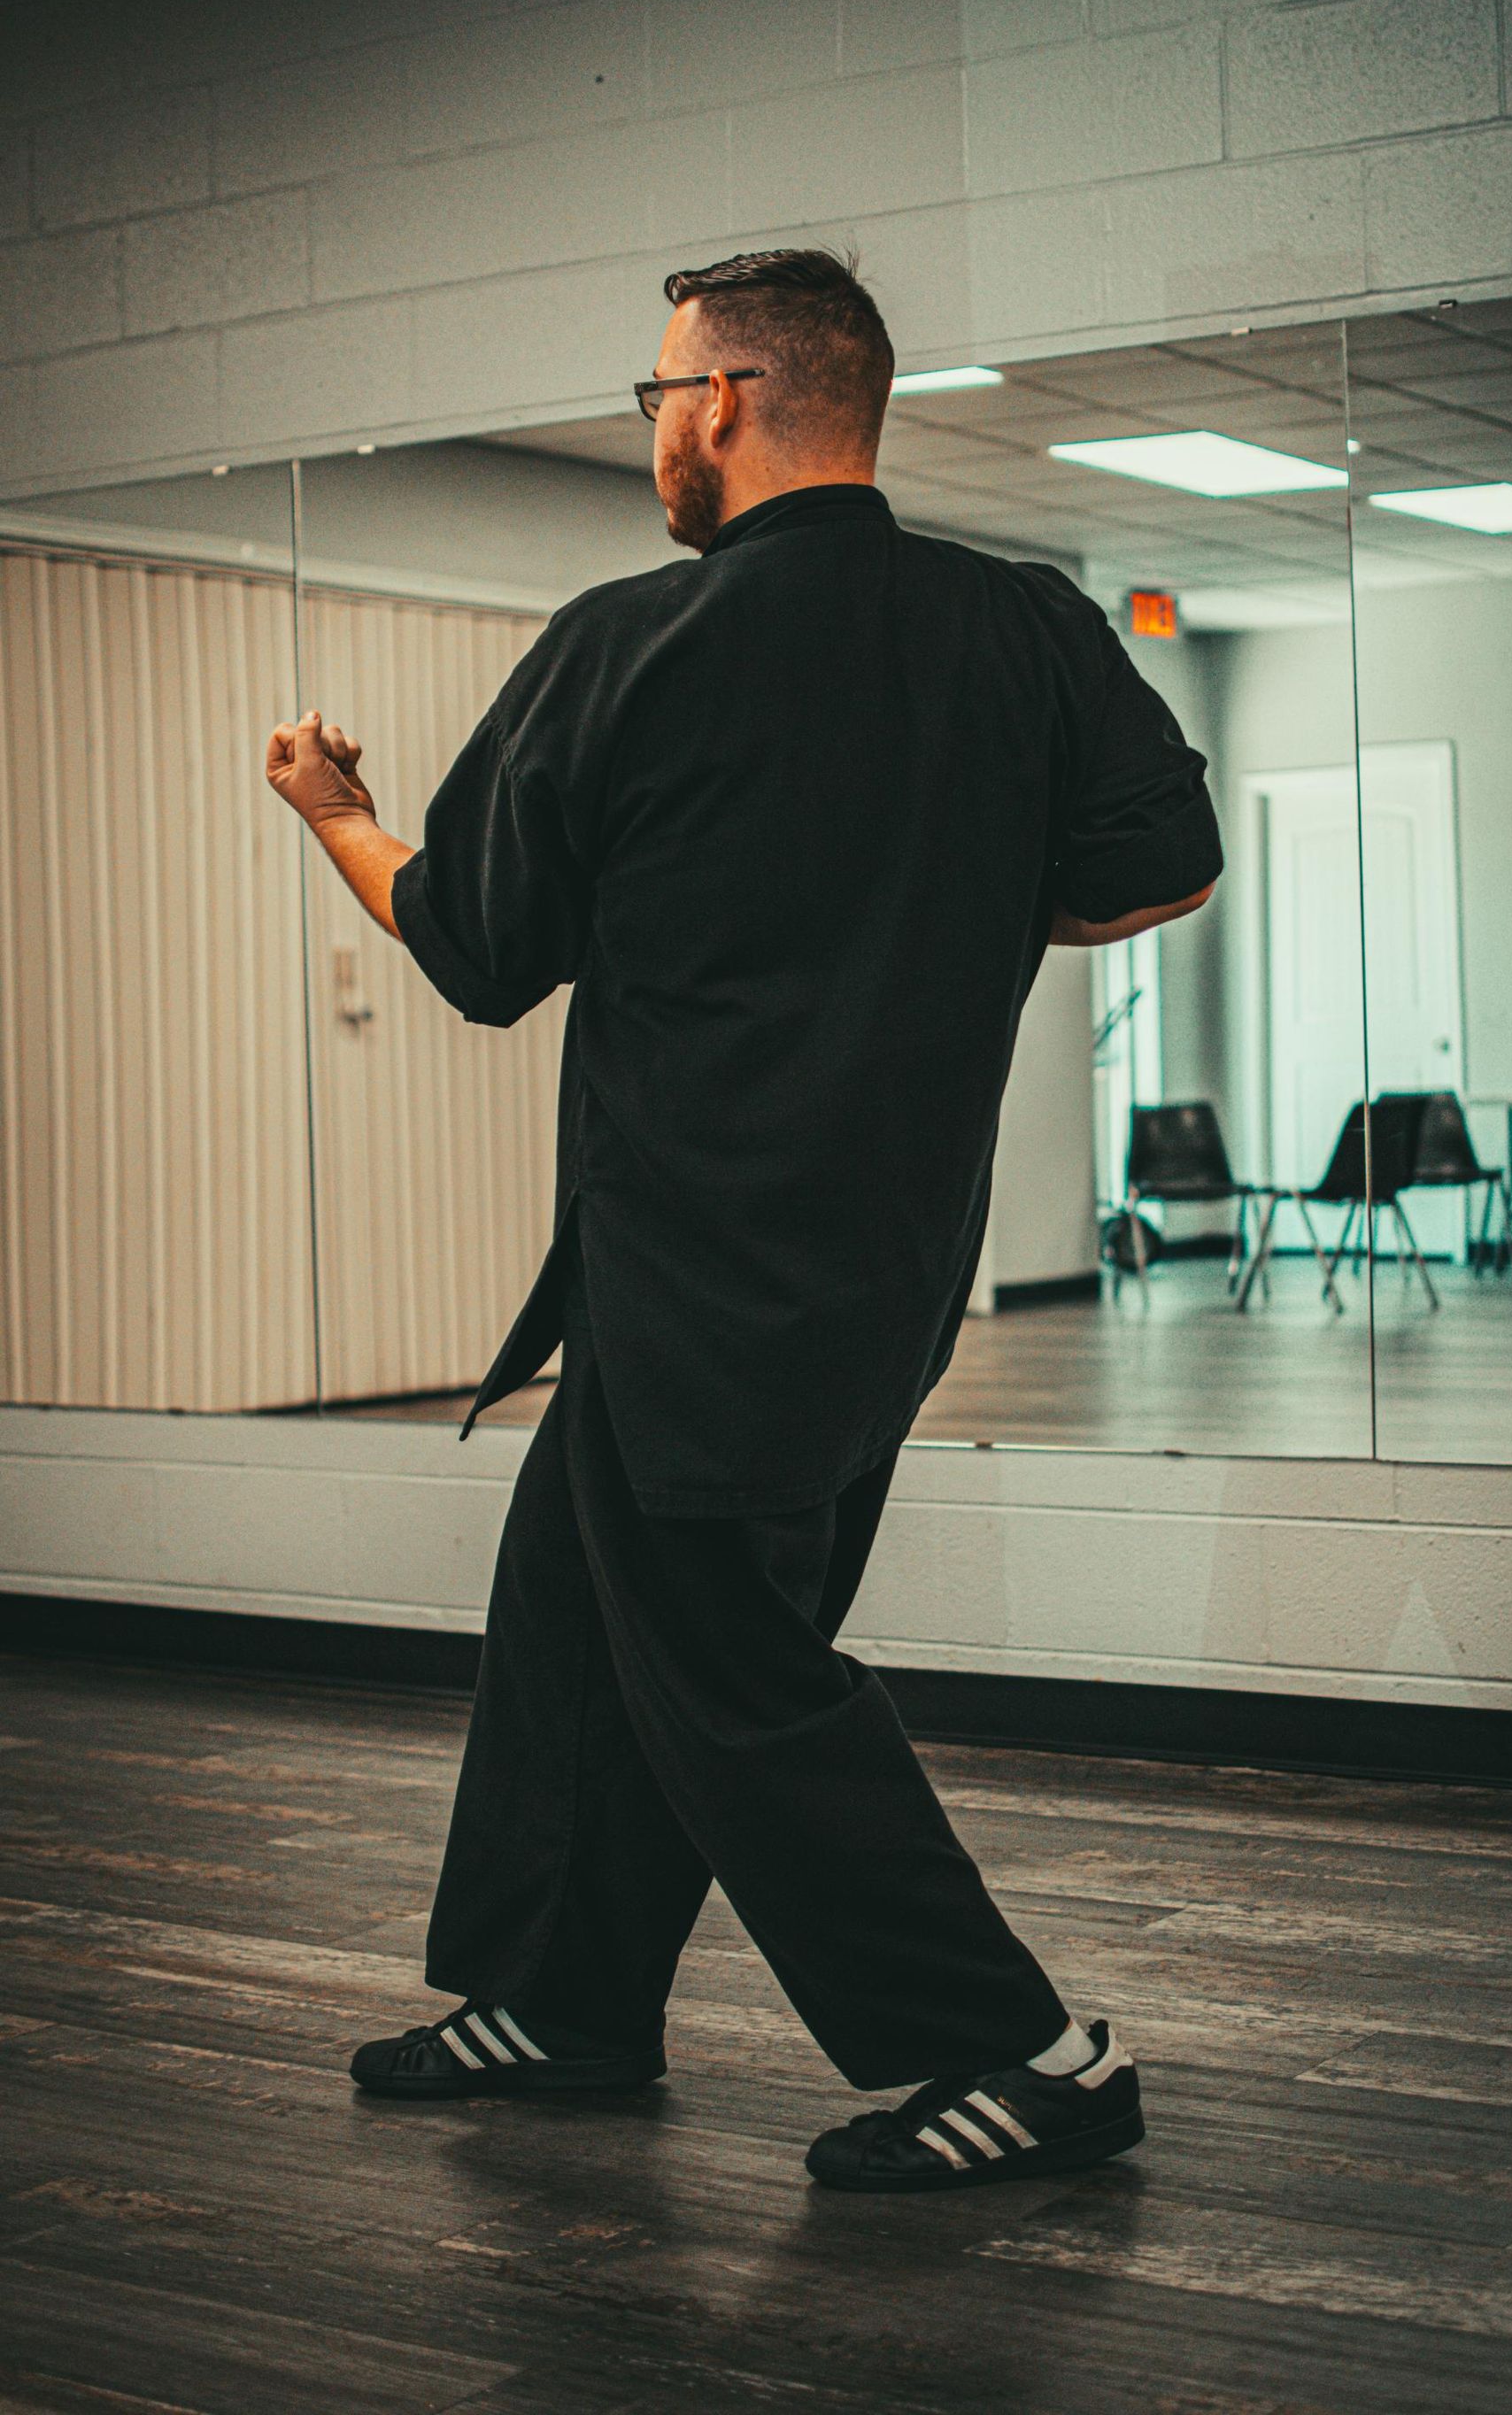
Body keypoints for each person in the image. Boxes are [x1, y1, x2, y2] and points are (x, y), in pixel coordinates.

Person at [264, 247, 1221, 2196]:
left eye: (658, 394)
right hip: (867, 1270)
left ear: (727, 403)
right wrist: (934, 908)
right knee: (576, 1622)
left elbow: (468, 946)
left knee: (731, 1667)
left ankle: (1026, 2052)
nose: (653, 431)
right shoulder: (1021, 626)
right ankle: (568, 1998)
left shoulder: (632, 643)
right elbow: (1163, 857)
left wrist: (330, 807)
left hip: (706, 1273)